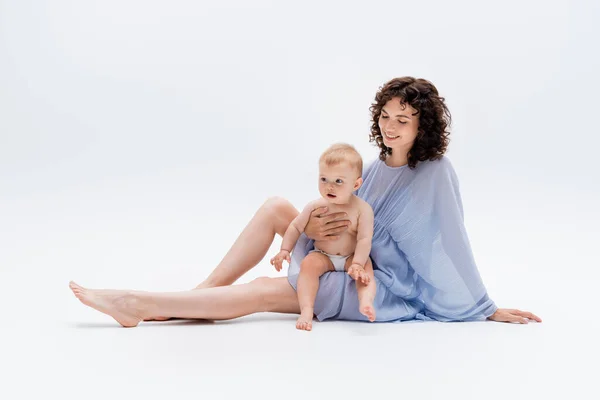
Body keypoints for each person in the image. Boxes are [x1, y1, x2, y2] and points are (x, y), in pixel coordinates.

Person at [69, 76, 542, 327]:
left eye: (405, 118)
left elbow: (453, 243)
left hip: (374, 282)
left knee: (261, 291)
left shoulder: (435, 172)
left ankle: (138, 304)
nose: (391, 126)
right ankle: (199, 294)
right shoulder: (374, 168)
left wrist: (483, 307)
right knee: (278, 206)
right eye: (385, 116)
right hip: (337, 254)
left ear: (424, 127)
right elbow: (346, 212)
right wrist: (315, 226)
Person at [270, 143, 375, 331]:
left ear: (356, 184)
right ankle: (307, 309)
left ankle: (365, 301)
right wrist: (284, 250)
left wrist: (358, 263)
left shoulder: (362, 210)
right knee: (308, 265)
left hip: (351, 257)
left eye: (338, 181)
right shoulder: (315, 205)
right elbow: (296, 226)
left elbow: (364, 240)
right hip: (324, 256)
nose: (329, 186)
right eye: (324, 179)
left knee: (366, 271)